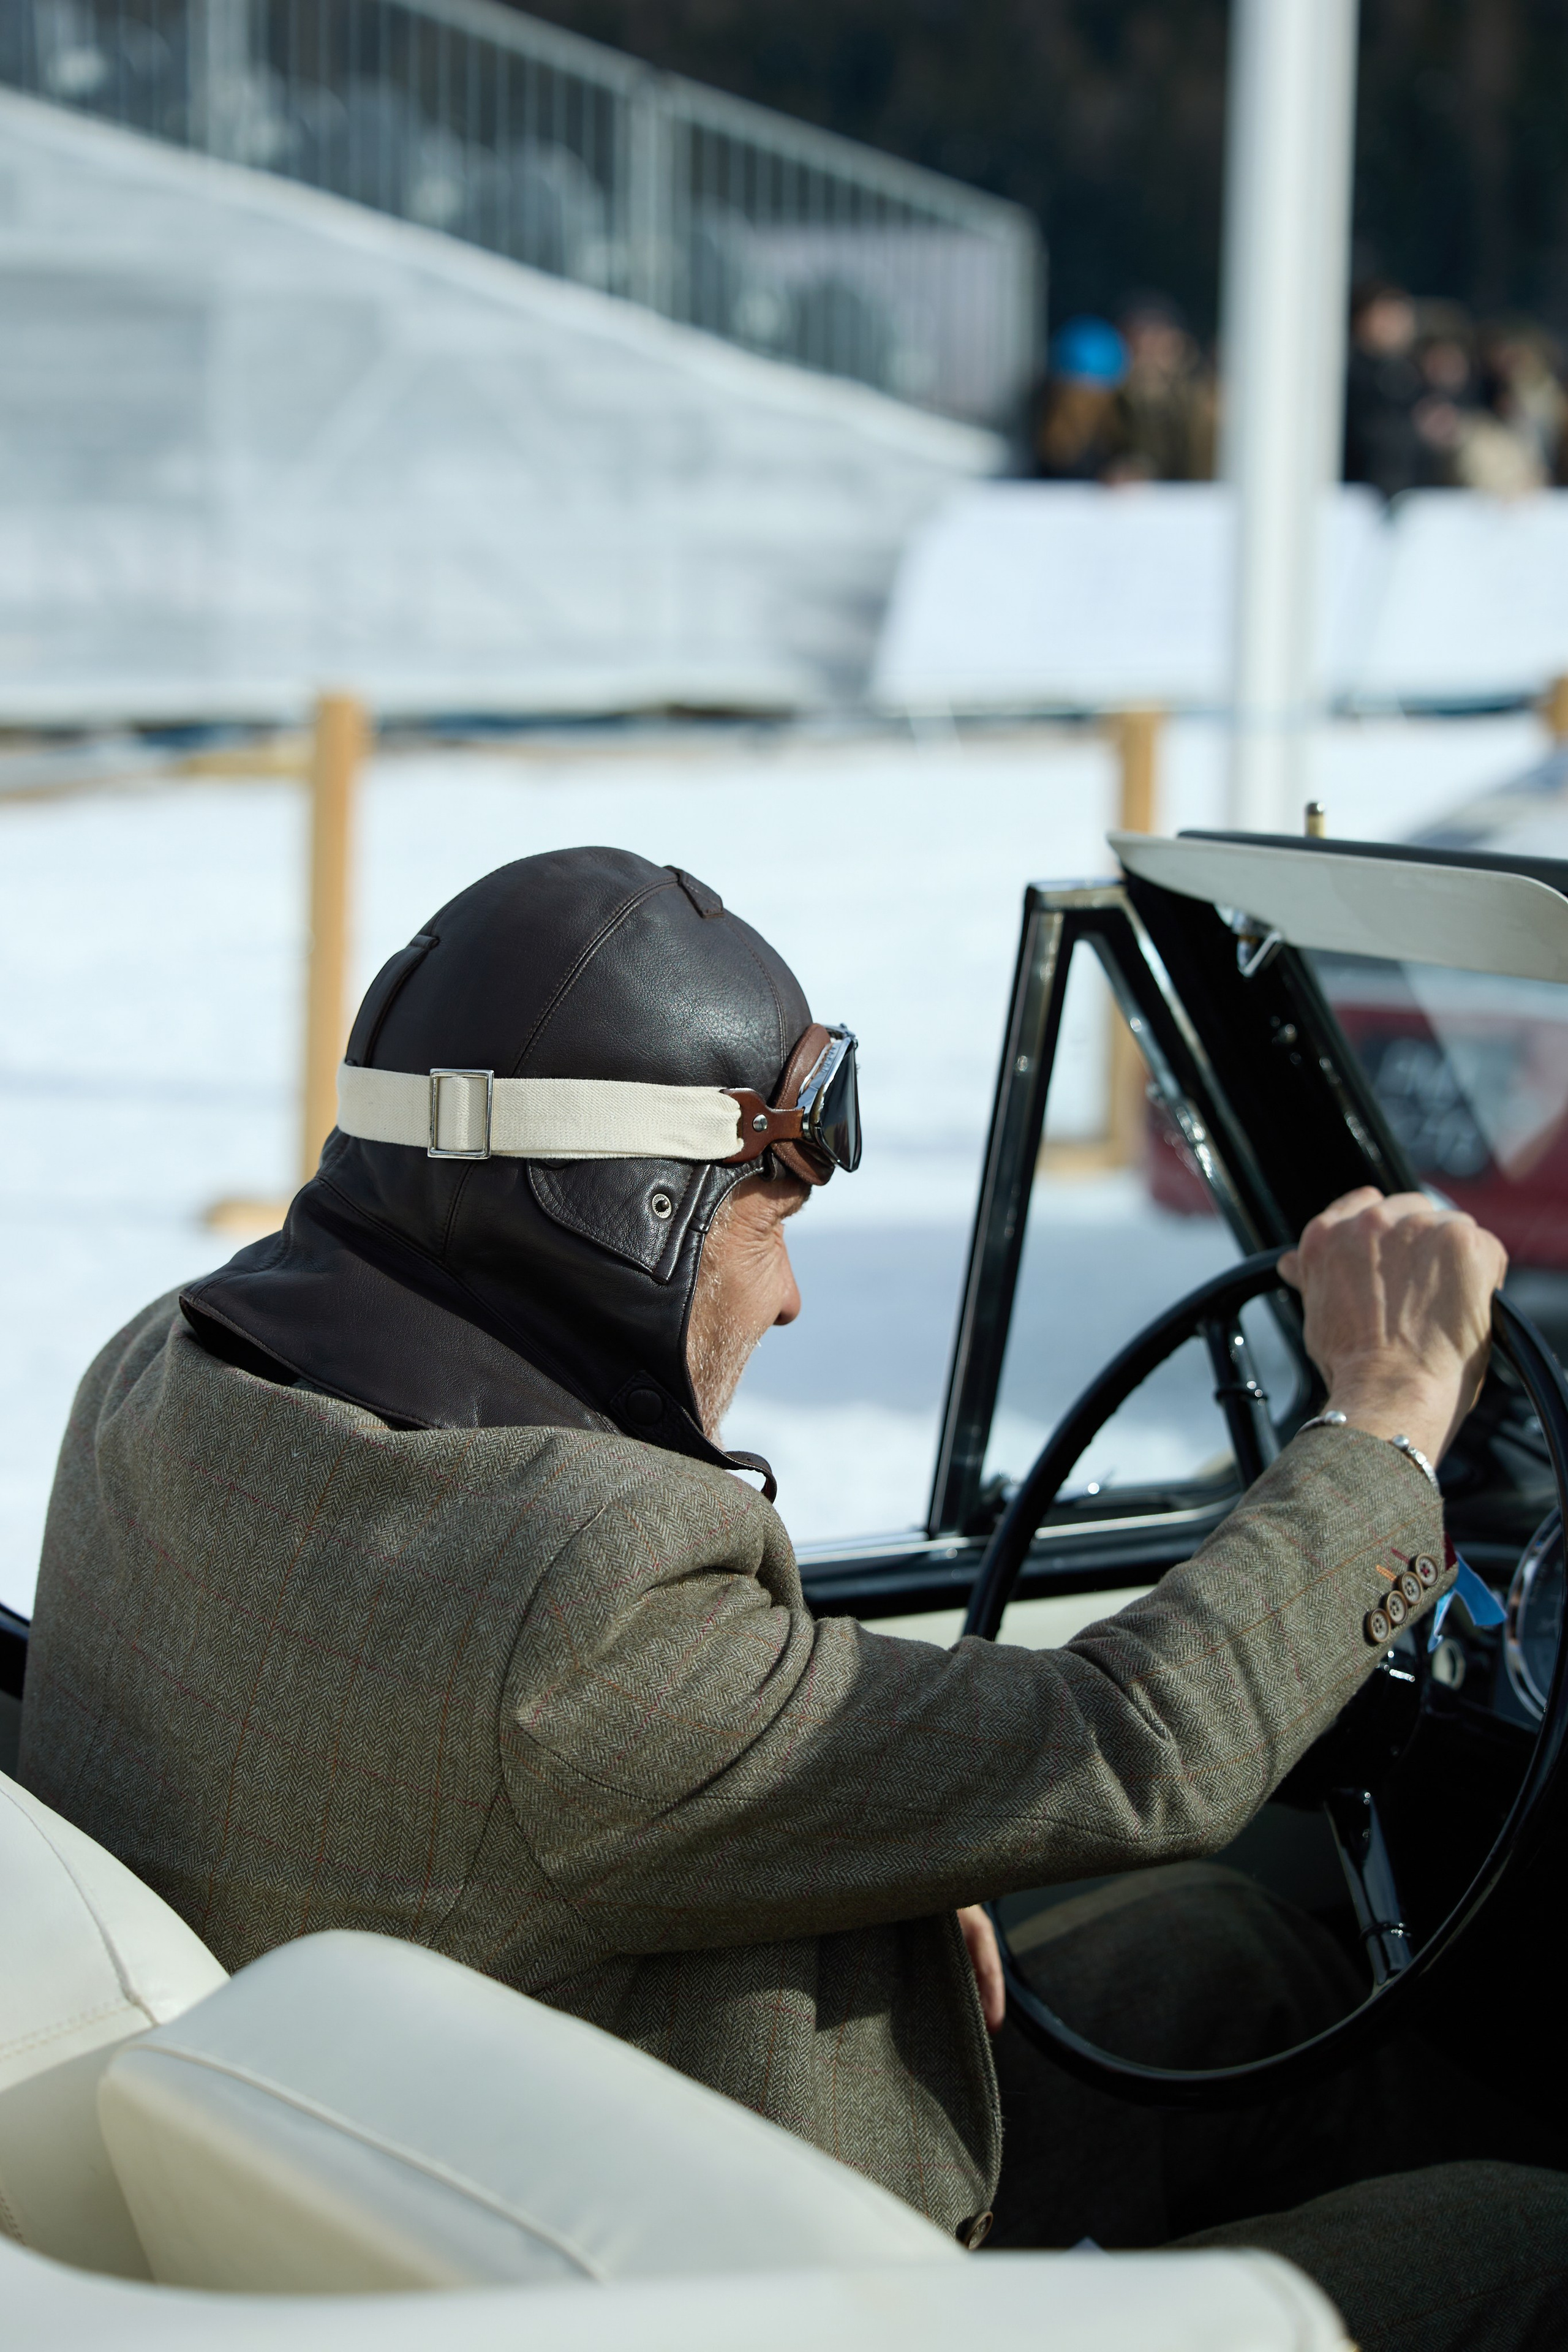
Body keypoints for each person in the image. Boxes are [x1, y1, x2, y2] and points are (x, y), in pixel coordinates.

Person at [18, 848, 1568, 2349]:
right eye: (767, 1219)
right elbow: (1135, 1743)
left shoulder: (167, 1382)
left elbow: (571, 1730)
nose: (788, 1295)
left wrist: (881, 1842)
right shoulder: (576, 1601)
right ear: (631, 1214)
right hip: (755, 2273)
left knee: (1235, 1957)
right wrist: (1382, 1419)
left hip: (496, 2159)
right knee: (1526, 2236)